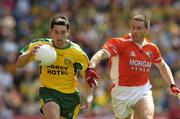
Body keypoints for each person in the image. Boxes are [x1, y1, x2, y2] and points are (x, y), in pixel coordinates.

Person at [88, 14, 180, 119]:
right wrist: (91, 66)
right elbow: (101, 54)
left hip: (142, 90)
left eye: (139, 28)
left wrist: (172, 85)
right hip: (120, 93)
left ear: (147, 30)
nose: (134, 31)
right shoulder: (120, 43)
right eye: (133, 27)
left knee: (147, 117)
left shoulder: (152, 48)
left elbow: (162, 66)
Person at [16, 15, 99, 119]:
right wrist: (30, 54)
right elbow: (19, 64)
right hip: (49, 92)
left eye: (63, 32)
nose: (59, 36)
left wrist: (90, 96)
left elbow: (89, 76)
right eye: (56, 32)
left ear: (68, 32)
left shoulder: (77, 53)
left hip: (70, 98)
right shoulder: (40, 46)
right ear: (51, 32)